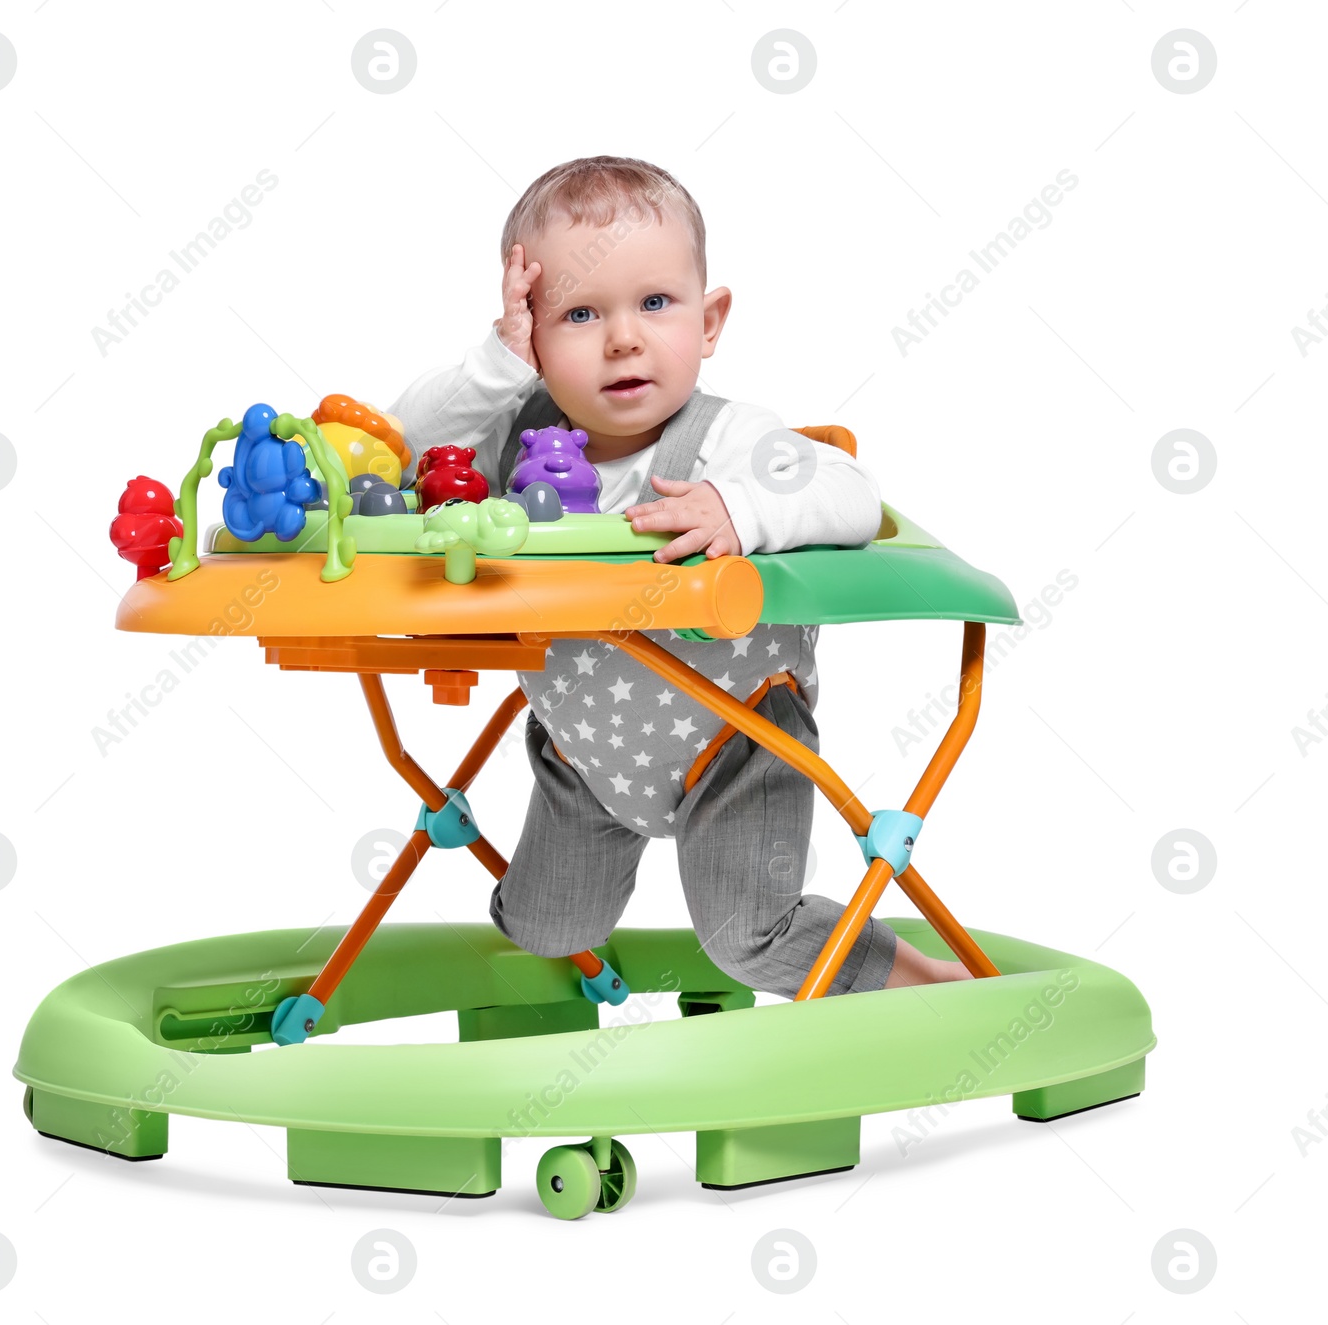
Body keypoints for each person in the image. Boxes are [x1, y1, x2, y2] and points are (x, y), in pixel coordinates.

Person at [387, 155, 970, 995]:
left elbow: (849, 491)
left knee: (749, 936)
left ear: (710, 320)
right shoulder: (509, 437)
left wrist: (740, 509)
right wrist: (496, 365)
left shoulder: (731, 439)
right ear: (534, 338)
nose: (624, 337)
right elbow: (399, 451)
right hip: (585, 754)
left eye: (656, 303)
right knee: (546, 928)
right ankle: (567, 947)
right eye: (579, 313)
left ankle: (919, 977)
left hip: (736, 740)